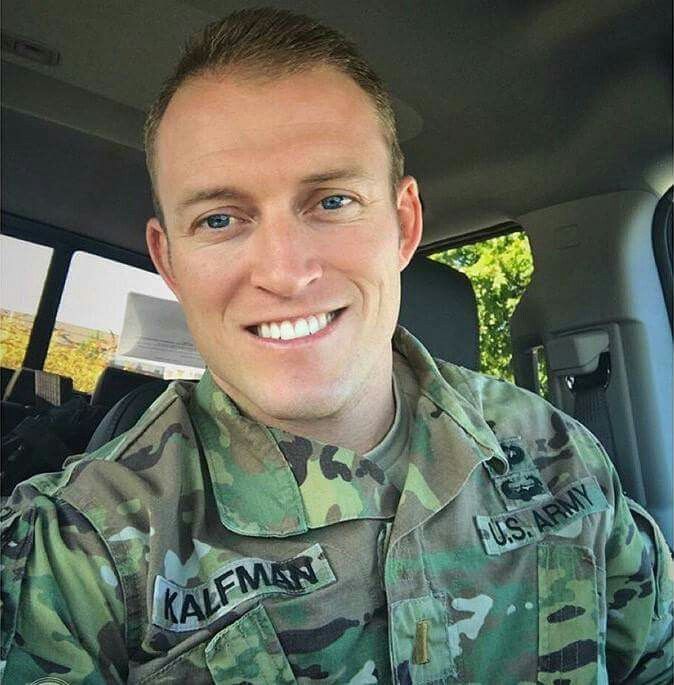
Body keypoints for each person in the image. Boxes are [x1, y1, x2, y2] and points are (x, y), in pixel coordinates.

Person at [1, 7, 671, 684]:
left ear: (404, 224)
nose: (286, 273)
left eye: (331, 202)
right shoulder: (75, 555)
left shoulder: (561, 458)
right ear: (169, 260)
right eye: (221, 218)